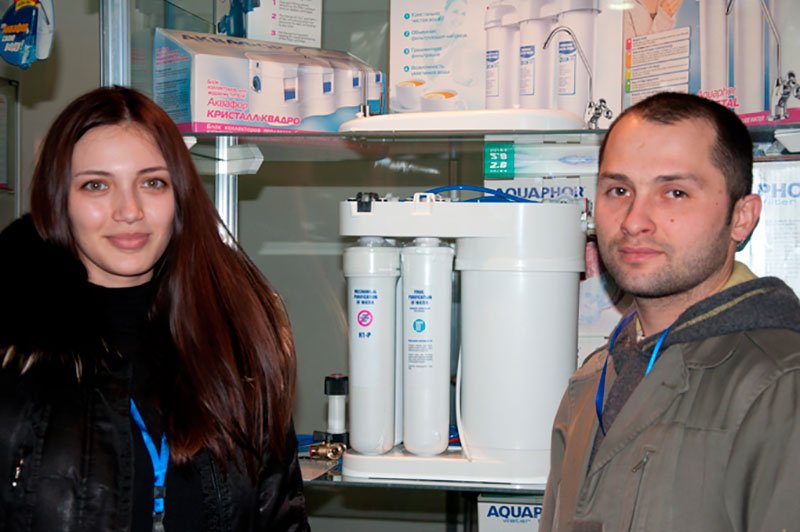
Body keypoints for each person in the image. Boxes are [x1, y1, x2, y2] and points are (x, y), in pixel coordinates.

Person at [0, 86, 309, 531]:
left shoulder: (237, 338)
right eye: (96, 185)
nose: (129, 210)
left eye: (152, 183)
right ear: (58, 200)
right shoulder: (13, 353)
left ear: (179, 196)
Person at [540, 92, 800, 531]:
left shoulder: (782, 386)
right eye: (619, 190)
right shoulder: (592, 380)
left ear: (741, 217)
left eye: (674, 192)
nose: (633, 221)